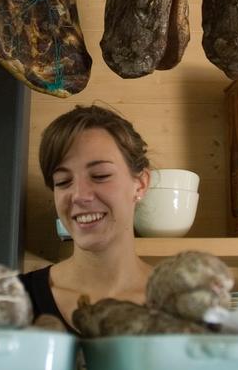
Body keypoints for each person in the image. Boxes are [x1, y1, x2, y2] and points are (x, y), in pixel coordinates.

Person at [19, 104, 153, 334]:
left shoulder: (186, 307)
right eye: (62, 181)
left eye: (100, 176)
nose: (79, 195)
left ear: (140, 184)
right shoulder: (13, 300)